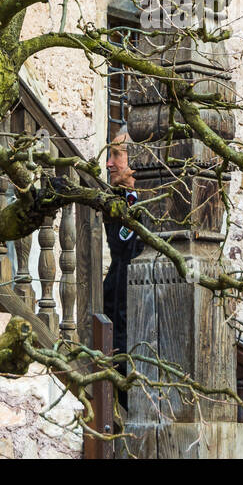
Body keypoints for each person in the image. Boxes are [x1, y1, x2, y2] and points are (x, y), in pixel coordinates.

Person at [102, 130, 142, 369]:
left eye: (116, 155)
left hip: (140, 312)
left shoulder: (156, 198)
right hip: (115, 307)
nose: (109, 163)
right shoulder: (113, 199)